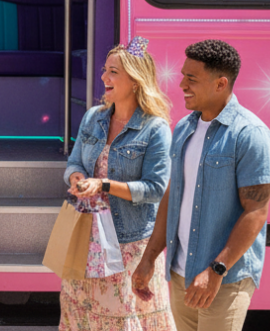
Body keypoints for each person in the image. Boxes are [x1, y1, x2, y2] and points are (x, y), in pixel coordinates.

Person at [133, 40, 270, 331]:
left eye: (192, 78)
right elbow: (172, 196)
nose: (182, 84)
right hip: (181, 275)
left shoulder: (250, 134)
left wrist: (216, 271)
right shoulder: (184, 128)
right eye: (183, 76)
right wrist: (149, 258)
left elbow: (256, 212)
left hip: (223, 280)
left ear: (220, 83)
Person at [60, 37, 175, 330]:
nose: (104, 78)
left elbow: (155, 189)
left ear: (135, 81)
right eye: (105, 70)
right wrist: (77, 179)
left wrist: (104, 185)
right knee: (80, 315)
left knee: (121, 319)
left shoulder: (155, 128)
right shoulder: (93, 118)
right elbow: (74, 163)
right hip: (85, 238)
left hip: (128, 246)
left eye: (113, 72)